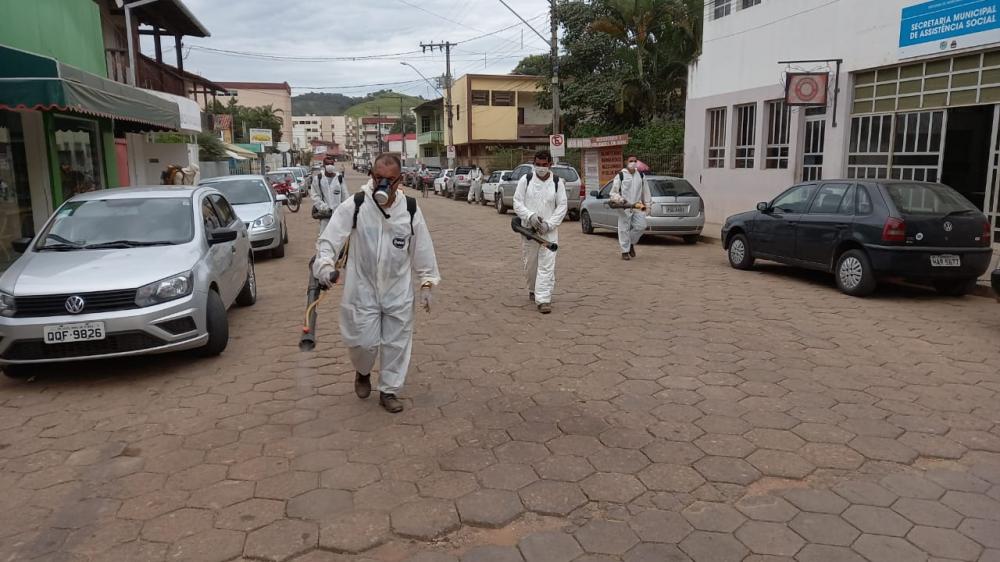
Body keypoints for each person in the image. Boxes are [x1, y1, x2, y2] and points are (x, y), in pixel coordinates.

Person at [313, 153, 440, 413]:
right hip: (362, 289)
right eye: (378, 177)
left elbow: (422, 248)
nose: (382, 184)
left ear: (399, 180)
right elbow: (329, 239)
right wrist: (324, 265)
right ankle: (362, 372)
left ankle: (388, 391)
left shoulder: (410, 209)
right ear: (371, 176)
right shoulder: (357, 204)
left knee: (396, 344)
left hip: (398, 290)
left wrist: (427, 281)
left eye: (389, 180)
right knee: (362, 343)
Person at [514, 150, 567, 314]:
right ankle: (533, 289)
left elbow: (562, 206)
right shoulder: (526, 180)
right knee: (531, 265)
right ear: (534, 164)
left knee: (546, 266)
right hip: (529, 232)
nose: (541, 168)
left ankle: (543, 299)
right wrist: (530, 216)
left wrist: (549, 225)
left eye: (544, 165)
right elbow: (517, 202)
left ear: (550, 164)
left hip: (548, 233)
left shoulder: (557, 182)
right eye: (538, 164)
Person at [611, 155, 651, 260]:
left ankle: (631, 243)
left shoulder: (641, 175)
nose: (633, 162)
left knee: (641, 226)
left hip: (638, 205)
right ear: (626, 162)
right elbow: (613, 193)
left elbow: (646, 192)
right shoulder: (621, 175)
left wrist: (648, 205)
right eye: (631, 161)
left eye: (635, 161)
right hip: (625, 206)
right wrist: (620, 199)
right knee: (623, 229)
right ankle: (625, 251)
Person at [311, 155, 348, 233]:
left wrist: (345, 210)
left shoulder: (339, 179)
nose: (330, 166)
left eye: (331, 164)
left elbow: (345, 196)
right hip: (325, 216)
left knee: (338, 237)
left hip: (338, 216)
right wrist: (323, 207)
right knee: (324, 236)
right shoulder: (318, 179)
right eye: (327, 164)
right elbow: (315, 195)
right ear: (324, 165)